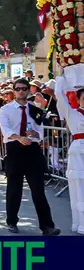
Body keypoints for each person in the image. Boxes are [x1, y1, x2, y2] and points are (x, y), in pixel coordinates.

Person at [0, 78, 61, 236]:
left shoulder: (35, 110)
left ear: (28, 90)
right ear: (14, 91)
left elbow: (40, 131)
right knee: (14, 189)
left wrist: (35, 134)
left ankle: (47, 226)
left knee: (38, 190)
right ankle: (12, 221)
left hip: (32, 151)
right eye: (18, 88)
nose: (21, 91)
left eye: (24, 88)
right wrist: (18, 138)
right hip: (15, 149)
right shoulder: (5, 110)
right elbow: (5, 130)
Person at [55, 80, 84, 234]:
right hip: (79, 151)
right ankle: (81, 223)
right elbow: (59, 95)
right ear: (78, 100)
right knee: (80, 186)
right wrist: (62, 78)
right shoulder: (72, 113)